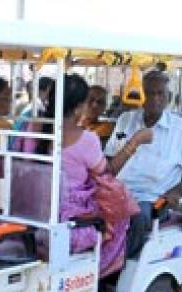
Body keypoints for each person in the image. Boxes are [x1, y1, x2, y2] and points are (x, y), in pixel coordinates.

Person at [103, 70, 182, 260]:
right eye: (149, 93)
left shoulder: (181, 128)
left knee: (137, 216)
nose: (154, 99)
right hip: (119, 191)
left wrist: (178, 190)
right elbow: (110, 157)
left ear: (168, 98)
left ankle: (120, 265)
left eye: (160, 93)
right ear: (141, 95)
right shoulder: (126, 120)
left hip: (155, 199)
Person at [54, 74, 132, 279]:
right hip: (70, 214)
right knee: (122, 213)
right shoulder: (86, 139)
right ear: (80, 106)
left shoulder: (32, 128)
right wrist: (135, 143)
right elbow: (107, 172)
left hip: (37, 207)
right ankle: (100, 273)